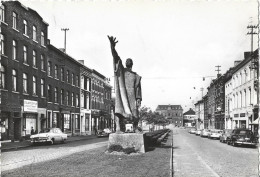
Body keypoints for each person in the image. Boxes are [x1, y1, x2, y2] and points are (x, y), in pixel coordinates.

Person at [108, 36, 142, 132]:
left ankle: (135, 128)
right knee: (119, 111)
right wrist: (112, 47)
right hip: (122, 95)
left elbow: (138, 88)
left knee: (135, 113)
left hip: (131, 97)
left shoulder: (136, 76)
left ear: (131, 64)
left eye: (129, 61)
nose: (127, 61)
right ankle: (118, 128)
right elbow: (116, 57)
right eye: (127, 61)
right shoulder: (122, 71)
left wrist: (138, 99)